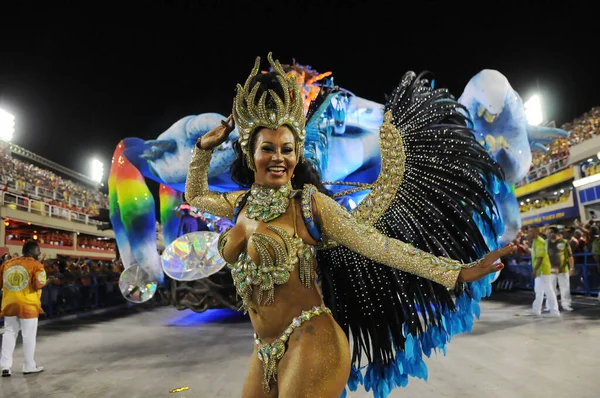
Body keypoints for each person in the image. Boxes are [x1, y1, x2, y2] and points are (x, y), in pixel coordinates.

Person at [185, 53, 515, 397]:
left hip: (311, 339)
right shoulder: (238, 205)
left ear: (297, 154)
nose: (279, 157)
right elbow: (195, 195)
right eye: (268, 148)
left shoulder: (309, 205)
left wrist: (456, 272)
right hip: (264, 347)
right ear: (249, 151)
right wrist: (202, 149)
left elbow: (378, 246)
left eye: (287, 148)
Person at [0, 240, 47, 377]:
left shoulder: (7, 264)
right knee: (28, 336)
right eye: (38, 250)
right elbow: (39, 283)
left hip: (9, 304)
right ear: (32, 251)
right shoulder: (36, 265)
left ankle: (5, 366)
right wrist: (41, 264)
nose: (39, 253)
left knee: (9, 333)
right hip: (28, 305)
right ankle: (28, 365)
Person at [527, 226, 560, 317]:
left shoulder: (540, 242)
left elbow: (540, 258)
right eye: (529, 231)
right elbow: (536, 255)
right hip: (539, 270)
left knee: (548, 290)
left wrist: (535, 270)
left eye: (531, 231)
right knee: (538, 290)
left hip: (543, 270)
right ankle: (536, 310)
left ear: (537, 232)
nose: (529, 233)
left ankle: (555, 311)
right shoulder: (535, 241)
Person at [546, 227, 574, 311]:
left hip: (563, 269)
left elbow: (570, 256)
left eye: (550, 232)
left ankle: (566, 304)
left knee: (565, 288)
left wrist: (571, 268)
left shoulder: (564, 242)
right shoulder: (546, 243)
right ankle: (550, 305)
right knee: (550, 288)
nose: (548, 234)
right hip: (550, 270)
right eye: (547, 233)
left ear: (556, 233)